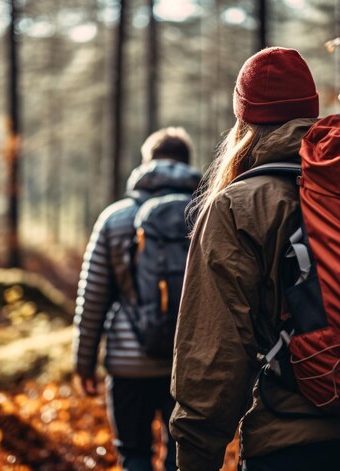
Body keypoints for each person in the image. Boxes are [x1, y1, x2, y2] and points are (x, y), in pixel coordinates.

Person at [169, 47, 340, 470]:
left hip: (295, 443)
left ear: (244, 120)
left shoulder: (240, 205)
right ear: (311, 110)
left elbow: (213, 355)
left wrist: (196, 455)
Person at [73, 127, 201, 471]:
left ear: (147, 164)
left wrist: (84, 362)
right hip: (188, 362)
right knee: (182, 457)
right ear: (187, 164)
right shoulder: (208, 213)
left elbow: (93, 296)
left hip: (129, 364)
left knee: (134, 455)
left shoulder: (115, 218)